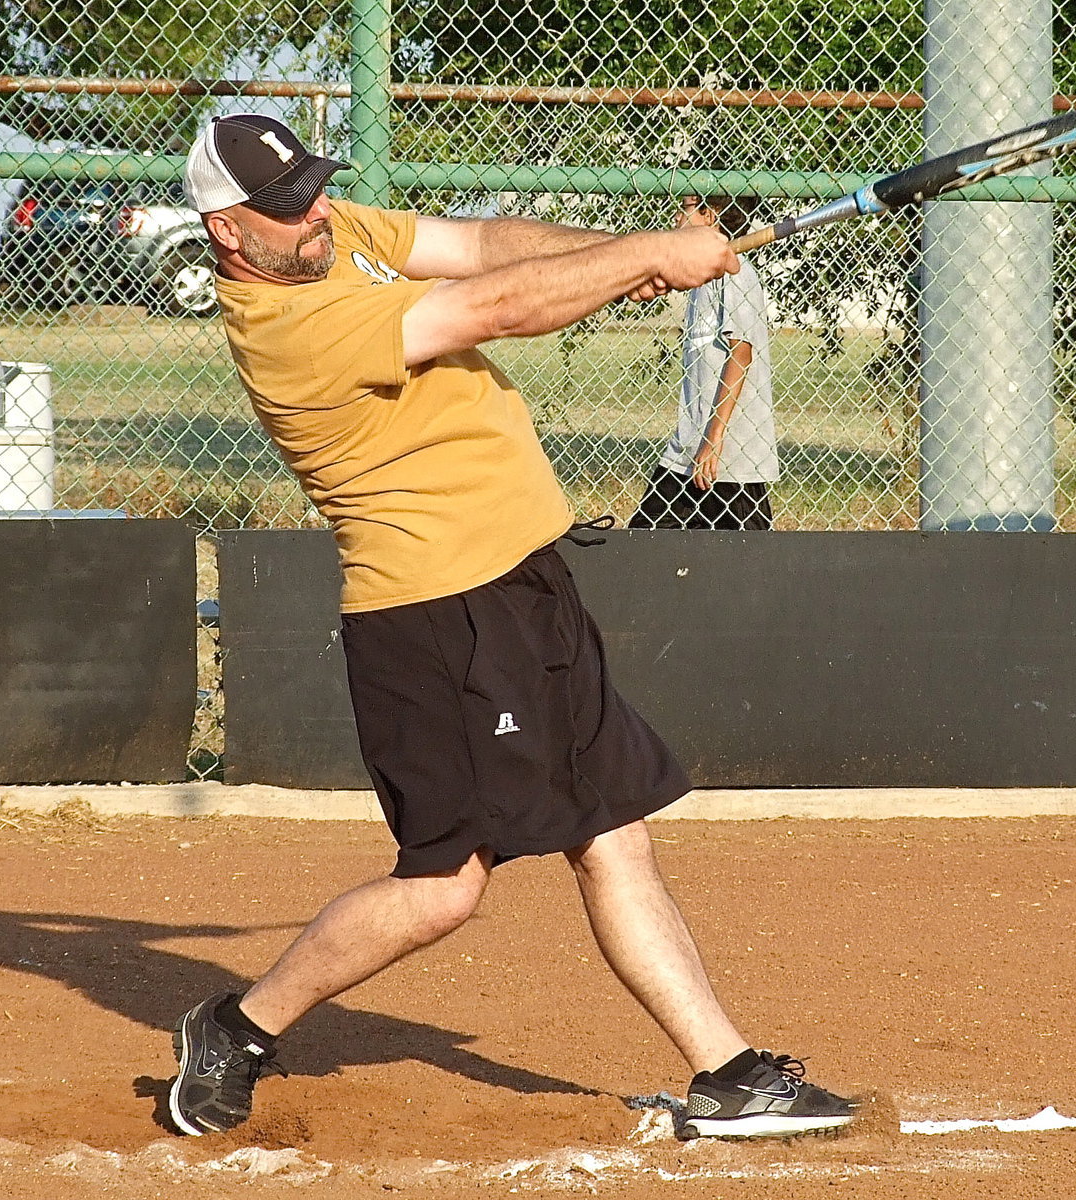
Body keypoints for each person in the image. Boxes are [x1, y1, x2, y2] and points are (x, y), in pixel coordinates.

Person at [168, 113, 852, 1143]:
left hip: (526, 587)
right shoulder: (291, 333)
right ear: (229, 232)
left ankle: (729, 1070)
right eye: (287, 207)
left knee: (612, 829)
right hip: (438, 617)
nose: (314, 213)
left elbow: (484, 245)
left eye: (313, 189)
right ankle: (236, 1026)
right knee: (444, 890)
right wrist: (651, 254)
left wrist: (622, 264)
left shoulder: (331, 234)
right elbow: (490, 304)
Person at [629, 194, 778, 531]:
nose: (677, 218)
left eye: (685, 209)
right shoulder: (702, 280)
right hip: (690, 447)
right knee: (647, 534)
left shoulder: (735, 274)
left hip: (729, 455)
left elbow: (741, 353)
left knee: (749, 557)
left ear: (709, 216)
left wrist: (714, 438)